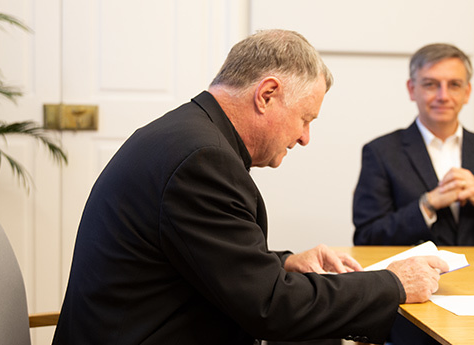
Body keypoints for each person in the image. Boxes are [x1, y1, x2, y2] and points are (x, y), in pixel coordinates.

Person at [52, 30, 448, 345]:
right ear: (267, 95)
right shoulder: (202, 160)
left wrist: (285, 262)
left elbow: (202, 255)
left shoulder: (188, 135)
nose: (305, 137)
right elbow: (272, 308)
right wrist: (395, 282)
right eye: (305, 118)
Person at [352, 43, 474, 344]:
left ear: (467, 92)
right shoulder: (381, 152)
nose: (442, 95)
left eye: (454, 85)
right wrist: (426, 205)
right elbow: (367, 237)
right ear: (412, 89)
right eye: (430, 84)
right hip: (410, 308)